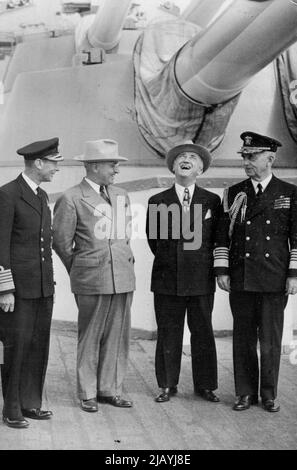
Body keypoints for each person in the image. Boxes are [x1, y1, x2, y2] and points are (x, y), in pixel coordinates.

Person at [214, 131, 297, 412]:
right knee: (243, 338)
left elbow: (296, 238)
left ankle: (269, 394)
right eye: (244, 157)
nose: (247, 161)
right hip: (242, 276)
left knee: (271, 340)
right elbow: (222, 237)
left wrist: (293, 274)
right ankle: (245, 393)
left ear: (270, 159)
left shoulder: (289, 193)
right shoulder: (233, 193)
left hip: (273, 277)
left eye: (252, 156)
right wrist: (222, 270)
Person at [53, 139, 135, 412]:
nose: (116, 170)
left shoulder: (121, 194)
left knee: (118, 334)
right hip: (91, 278)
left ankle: (109, 389)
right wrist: (80, 268)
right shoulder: (71, 197)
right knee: (90, 334)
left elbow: (124, 236)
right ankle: (87, 391)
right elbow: (61, 242)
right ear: (94, 166)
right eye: (112, 164)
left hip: (122, 276)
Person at [146, 141, 220, 403]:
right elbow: (154, 241)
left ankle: (206, 385)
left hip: (201, 279)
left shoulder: (213, 200)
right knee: (168, 331)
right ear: (173, 167)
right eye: (180, 157)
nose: (185, 160)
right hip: (167, 279)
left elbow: (216, 239)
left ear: (200, 168)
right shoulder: (157, 200)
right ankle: (167, 384)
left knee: (203, 331)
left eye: (192, 157)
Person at [0, 137, 63, 428]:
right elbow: (0, 246)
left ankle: (30, 403)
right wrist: (5, 288)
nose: (56, 169)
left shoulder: (41, 196)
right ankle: (11, 407)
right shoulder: (8, 194)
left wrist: (48, 283)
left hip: (41, 287)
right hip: (18, 291)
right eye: (53, 163)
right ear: (38, 163)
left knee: (38, 346)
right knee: (16, 347)